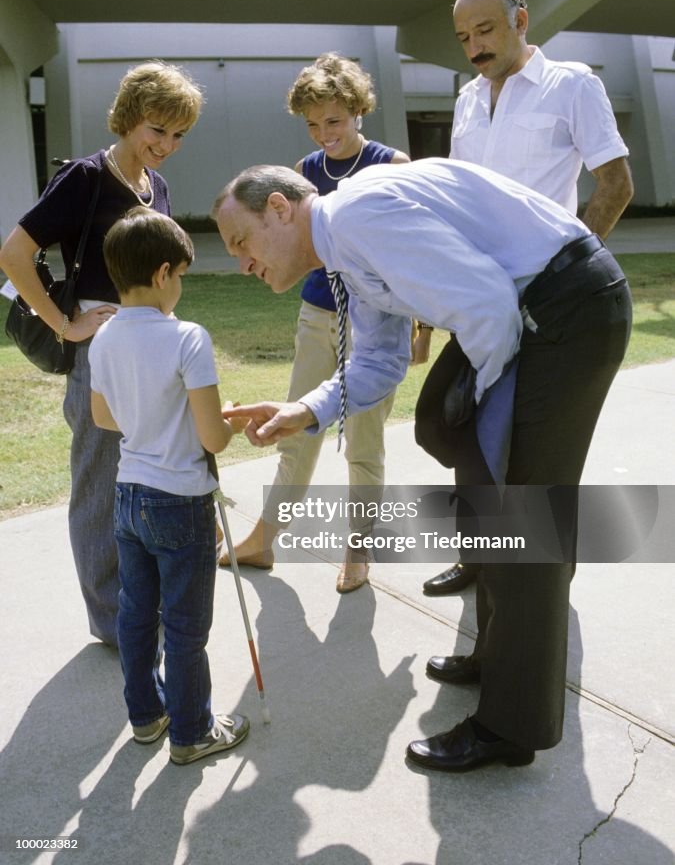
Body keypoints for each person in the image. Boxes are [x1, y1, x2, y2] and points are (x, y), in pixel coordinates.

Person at [212, 158, 631, 771]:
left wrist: (496, 426)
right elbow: (380, 360)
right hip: (533, 314)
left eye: (241, 241)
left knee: (517, 517)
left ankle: (510, 728)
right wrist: (306, 409)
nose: (242, 262)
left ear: (279, 207)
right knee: (471, 470)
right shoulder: (345, 247)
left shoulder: (358, 217)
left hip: (566, 311)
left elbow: (488, 308)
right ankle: (495, 653)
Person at [420, 0, 634, 597]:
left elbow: (615, 185)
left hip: (546, 299)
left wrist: (568, 272)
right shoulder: (465, 100)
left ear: (521, 20)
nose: (474, 47)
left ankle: (540, 586)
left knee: (535, 449)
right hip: (476, 299)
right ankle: (478, 559)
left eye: (485, 30)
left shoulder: (573, 85)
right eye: (463, 37)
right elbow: (454, 200)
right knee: (459, 430)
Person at [0, 61, 203, 645]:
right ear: (130, 118)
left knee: (142, 474)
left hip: (152, 341)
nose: (166, 144)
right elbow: (14, 254)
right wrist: (65, 323)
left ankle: (140, 604)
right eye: (156, 129)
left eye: (177, 134)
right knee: (98, 479)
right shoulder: (87, 177)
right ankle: (113, 622)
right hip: (102, 346)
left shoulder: (154, 187)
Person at [217, 53, 409, 594]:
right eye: (313, 122)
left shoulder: (391, 164)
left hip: (377, 322)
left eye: (335, 120)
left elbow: (407, 258)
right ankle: (264, 537)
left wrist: (420, 330)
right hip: (317, 313)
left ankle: (359, 549)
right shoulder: (303, 172)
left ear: (358, 112)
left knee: (364, 442)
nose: (324, 133)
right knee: (295, 429)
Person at [89, 207, 249, 764]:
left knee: (136, 616)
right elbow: (215, 438)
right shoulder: (188, 337)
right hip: (180, 500)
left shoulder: (104, 338)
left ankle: (147, 716)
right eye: (179, 274)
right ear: (162, 274)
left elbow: (106, 419)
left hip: (128, 493)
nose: (180, 284)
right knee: (185, 626)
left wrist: (155, 412)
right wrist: (226, 419)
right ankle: (193, 732)